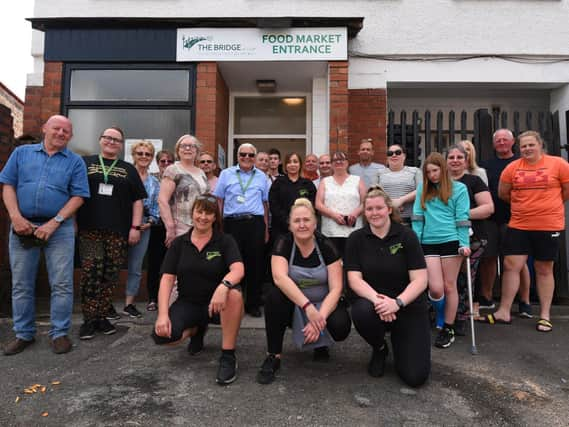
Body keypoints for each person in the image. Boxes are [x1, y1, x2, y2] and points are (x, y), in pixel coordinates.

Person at [1, 115, 89, 355]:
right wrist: (16, 218)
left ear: (70, 136)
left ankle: (59, 333)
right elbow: (8, 185)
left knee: (61, 284)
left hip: (58, 231)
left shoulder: (75, 162)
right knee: (21, 284)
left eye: (66, 131)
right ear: (44, 129)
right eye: (56, 128)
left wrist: (55, 222)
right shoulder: (22, 154)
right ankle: (24, 334)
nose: (61, 133)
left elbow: (79, 196)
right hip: (22, 227)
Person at [481, 131, 569, 332]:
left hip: (548, 224)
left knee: (544, 268)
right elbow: (504, 194)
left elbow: (566, 190)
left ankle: (545, 315)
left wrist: (547, 205)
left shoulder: (559, 164)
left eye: (531, 145)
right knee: (511, 265)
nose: (527, 149)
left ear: (540, 145)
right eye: (524, 146)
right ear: (519, 148)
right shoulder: (512, 168)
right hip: (519, 224)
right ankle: (504, 311)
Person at [256, 198, 351, 384]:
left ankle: (320, 343)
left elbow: (337, 288)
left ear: (315, 223)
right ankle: (273, 355)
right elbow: (280, 278)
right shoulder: (283, 243)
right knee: (274, 297)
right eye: (297, 221)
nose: (302, 225)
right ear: (290, 225)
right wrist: (308, 308)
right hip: (296, 305)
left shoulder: (326, 246)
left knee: (341, 326)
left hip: (323, 305)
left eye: (306, 220)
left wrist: (319, 318)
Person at [153, 195, 245, 385]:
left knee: (234, 295)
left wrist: (223, 286)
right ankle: (196, 330)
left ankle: (228, 356)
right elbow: (167, 279)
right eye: (199, 211)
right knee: (162, 337)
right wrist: (163, 314)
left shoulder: (225, 241)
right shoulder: (179, 243)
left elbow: (238, 269)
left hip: (217, 305)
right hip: (189, 303)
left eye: (208, 213)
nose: (203, 217)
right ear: (192, 213)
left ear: (215, 217)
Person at [346, 187, 430, 387]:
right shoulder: (356, 239)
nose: (374, 213)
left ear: (389, 209)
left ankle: (400, 340)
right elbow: (354, 279)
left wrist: (397, 303)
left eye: (379, 208)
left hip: (407, 305)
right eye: (369, 209)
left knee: (415, 377)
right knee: (360, 311)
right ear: (364, 212)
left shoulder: (407, 236)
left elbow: (420, 280)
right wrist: (379, 302)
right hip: (374, 305)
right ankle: (380, 347)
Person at [77, 126, 147, 340]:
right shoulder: (85, 163)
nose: (112, 142)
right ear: (100, 140)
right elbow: (73, 192)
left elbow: (138, 200)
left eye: (116, 140)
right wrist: (71, 222)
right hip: (90, 229)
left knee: (110, 274)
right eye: (108, 138)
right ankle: (89, 319)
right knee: (91, 273)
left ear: (121, 144)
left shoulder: (128, 169)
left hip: (118, 231)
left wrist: (135, 228)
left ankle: (102, 316)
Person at [412, 152, 470, 349]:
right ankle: (439, 313)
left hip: (451, 241)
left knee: (449, 286)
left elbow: (462, 218)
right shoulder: (422, 188)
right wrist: (416, 241)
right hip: (428, 242)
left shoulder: (460, 189)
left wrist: (464, 243)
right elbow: (418, 216)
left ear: (443, 169)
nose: (432, 175)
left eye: (435, 170)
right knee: (435, 288)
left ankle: (448, 327)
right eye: (428, 172)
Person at [479, 129, 531, 315]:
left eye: (505, 139)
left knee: (517, 262)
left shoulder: (521, 163)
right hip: (490, 219)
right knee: (489, 258)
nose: (501, 142)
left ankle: (524, 301)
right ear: (494, 144)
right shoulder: (485, 165)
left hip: (515, 218)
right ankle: (487, 298)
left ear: (512, 142)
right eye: (498, 140)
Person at [214, 143, 269, 317]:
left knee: (255, 264)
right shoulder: (226, 174)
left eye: (251, 155)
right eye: (243, 154)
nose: (246, 158)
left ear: (255, 157)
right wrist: (220, 225)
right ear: (237, 156)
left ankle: (252, 303)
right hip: (232, 224)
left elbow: (265, 204)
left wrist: (266, 228)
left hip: (255, 224)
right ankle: (230, 301)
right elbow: (219, 201)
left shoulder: (262, 176)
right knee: (232, 263)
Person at [446, 144, 494, 334]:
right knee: (447, 280)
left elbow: (488, 208)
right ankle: (445, 313)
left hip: (472, 237)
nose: (455, 160)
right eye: (451, 157)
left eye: (460, 157)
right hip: (444, 237)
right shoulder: (439, 182)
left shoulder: (474, 181)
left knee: (465, 279)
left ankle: (461, 316)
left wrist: (459, 215)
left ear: (466, 161)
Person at [123, 141, 160, 318]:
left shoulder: (155, 182)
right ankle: (104, 304)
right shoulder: (124, 175)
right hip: (121, 223)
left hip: (144, 226)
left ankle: (129, 304)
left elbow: (156, 207)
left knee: (136, 266)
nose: (144, 157)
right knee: (111, 265)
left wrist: (151, 222)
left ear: (152, 157)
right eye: (140, 153)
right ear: (133, 155)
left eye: (147, 154)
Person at [159, 134, 209, 248]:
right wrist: (170, 227)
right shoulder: (173, 170)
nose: (187, 149)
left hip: (200, 224)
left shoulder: (201, 172)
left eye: (192, 146)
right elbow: (162, 200)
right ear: (178, 150)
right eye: (184, 146)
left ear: (197, 150)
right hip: (181, 226)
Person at [316, 150, 366, 258]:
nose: (339, 162)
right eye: (335, 160)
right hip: (330, 231)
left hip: (353, 229)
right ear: (332, 164)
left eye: (342, 159)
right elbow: (318, 204)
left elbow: (365, 202)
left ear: (347, 162)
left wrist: (355, 213)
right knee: (333, 262)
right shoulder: (325, 181)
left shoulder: (357, 180)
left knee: (353, 262)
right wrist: (333, 215)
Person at [146, 149, 175, 311]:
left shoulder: (177, 177)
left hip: (174, 224)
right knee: (155, 262)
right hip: (157, 226)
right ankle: (153, 298)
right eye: (162, 161)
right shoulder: (152, 179)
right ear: (157, 163)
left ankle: (170, 297)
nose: (166, 164)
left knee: (171, 263)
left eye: (169, 161)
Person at [269, 152, 317, 239]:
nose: (292, 164)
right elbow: (274, 205)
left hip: (303, 227)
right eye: (289, 162)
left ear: (300, 164)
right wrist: (288, 221)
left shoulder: (308, 184)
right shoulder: (278, 183)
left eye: (295, 161)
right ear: (285, 165)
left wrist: (299, 221)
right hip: (281, 229)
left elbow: (312, 206)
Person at [377, 144, 421, 225]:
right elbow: (374, 193)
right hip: (385, 219)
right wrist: (391, 205)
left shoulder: (415, 171)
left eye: (398, 152)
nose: (394, 155)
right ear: (387, 158)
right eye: (390, 153)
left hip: (409, 220)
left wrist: (401, 200)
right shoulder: (379, 173)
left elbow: (422, 190)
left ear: (404, 156)